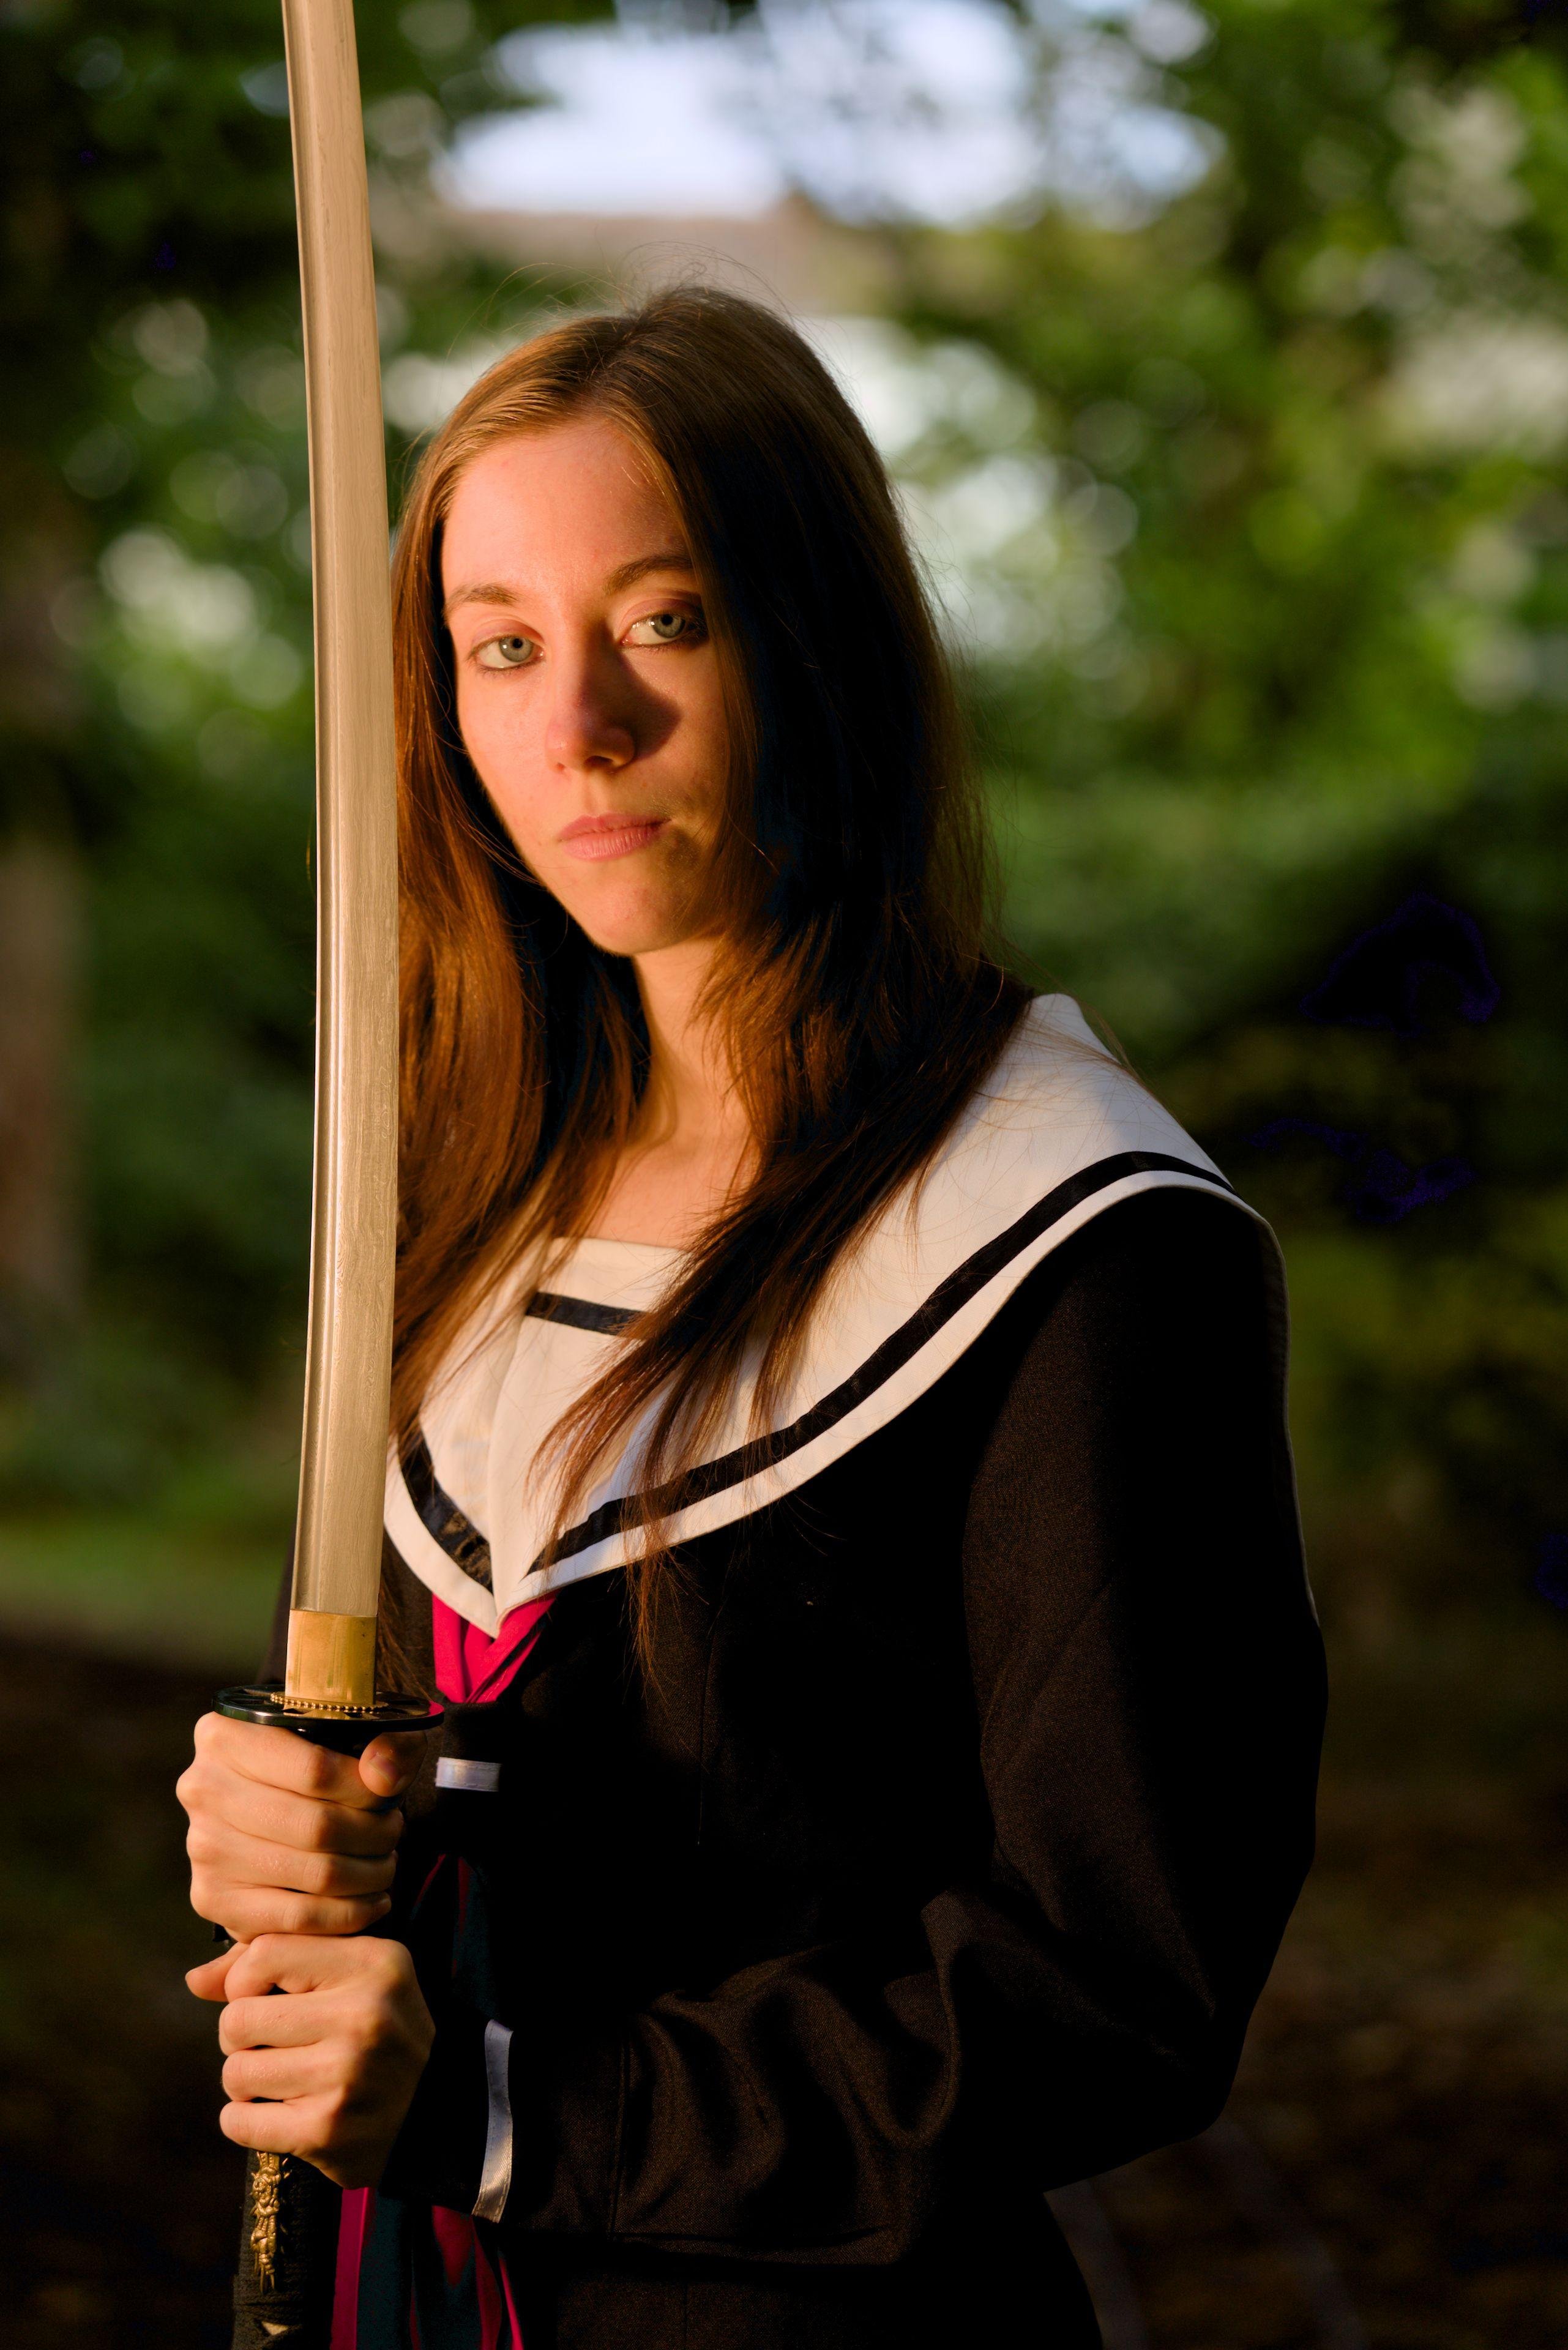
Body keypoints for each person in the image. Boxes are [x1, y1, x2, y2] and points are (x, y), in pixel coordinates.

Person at [176, 288, 1325, 2350]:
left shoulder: (1080, 1232)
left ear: (823, 643)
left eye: (666, 622)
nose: (577, 729)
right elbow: (541, 1789)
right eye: (503, 645)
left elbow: (1116, 1985)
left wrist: (517, 2105)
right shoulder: (463, 1201)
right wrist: (317, 1819)